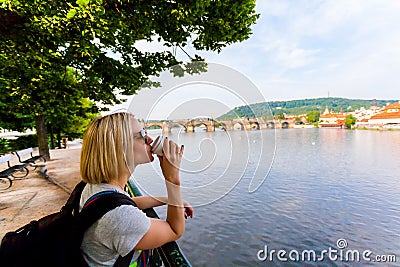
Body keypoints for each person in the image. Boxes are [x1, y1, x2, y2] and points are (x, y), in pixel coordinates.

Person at [79, 112, 194, 266]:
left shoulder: (96, 188)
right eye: (141, 135)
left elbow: (123, 202)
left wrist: (168, 200)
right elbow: (174, 230)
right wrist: (172, 179)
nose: (150, 140)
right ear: (120, 147)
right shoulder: (120, 218)